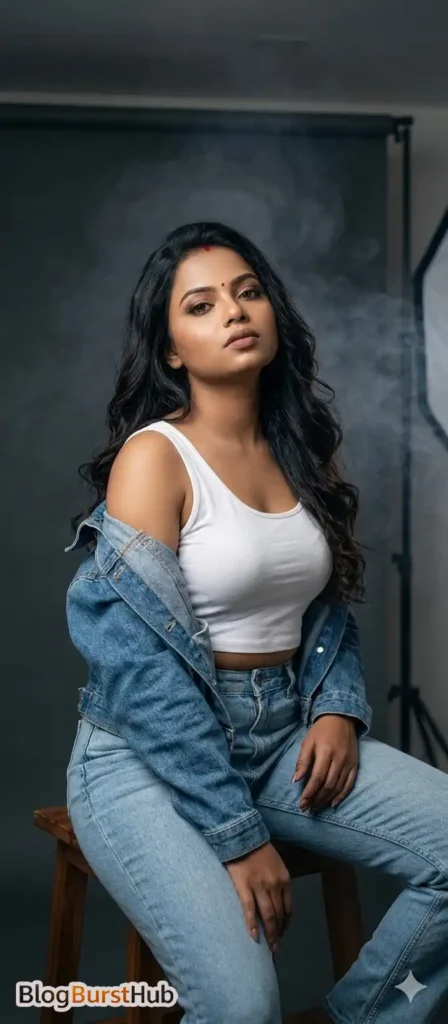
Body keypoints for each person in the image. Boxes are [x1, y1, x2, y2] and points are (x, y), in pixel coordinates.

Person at [65, 221, 448, 1024]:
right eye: (201, 305)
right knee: (242, 1006)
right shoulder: (155, 458)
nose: (235, 312)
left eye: (248, 292)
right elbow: (138, 670)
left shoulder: (296, 448)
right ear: (170, 349)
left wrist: (338, 706)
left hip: (283, 737)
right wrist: (237, 834)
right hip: (146, 755)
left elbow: (322, 606)